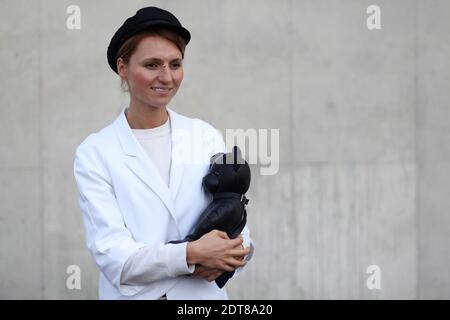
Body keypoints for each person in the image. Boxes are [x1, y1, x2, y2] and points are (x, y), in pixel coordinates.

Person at [73, 6, 254, 300]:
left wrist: (231, 256)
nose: (167, 77)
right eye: (152, 64)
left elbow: (241, 232)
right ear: (123, 67)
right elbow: (115, 258)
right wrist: (191, 254)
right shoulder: (95, 153)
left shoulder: (204, 136)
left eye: (175, 64)